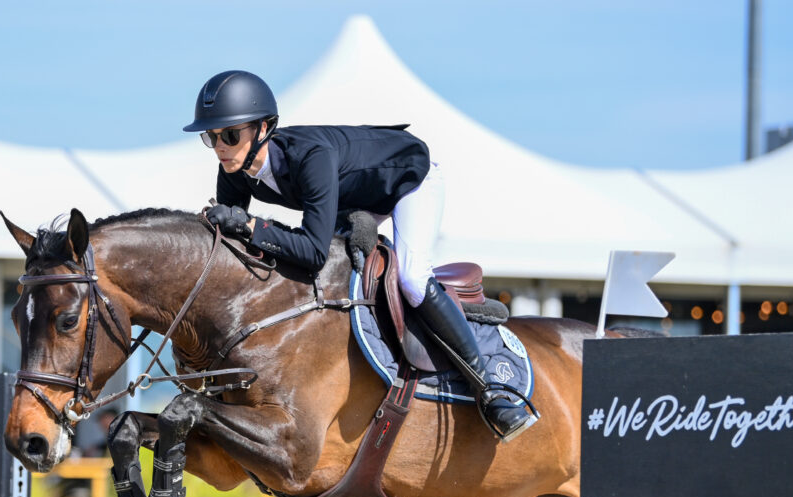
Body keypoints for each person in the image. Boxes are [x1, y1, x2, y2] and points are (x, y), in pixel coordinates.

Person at [185, 70, 534, 441]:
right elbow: (229, 248)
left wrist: (253, 225)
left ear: (264, 128)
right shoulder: (235, 170)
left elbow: (312, 251)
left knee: (412, 278)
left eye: (230, 135)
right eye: (212, 137)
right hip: (351, 199)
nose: (220, 145)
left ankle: (490, 390)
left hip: (407, 181)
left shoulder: (310, 158)